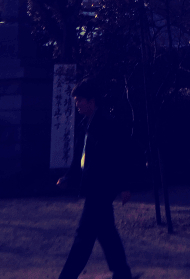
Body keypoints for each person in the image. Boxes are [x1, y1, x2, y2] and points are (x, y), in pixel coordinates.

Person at [57, 78, 134, 279]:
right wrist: (68, 177)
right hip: (95, 186)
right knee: (107, 234)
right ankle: (123, 274)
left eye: (80, 100)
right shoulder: (87, 124)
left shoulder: (107, 125)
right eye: (76, 101)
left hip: (101, 187)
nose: (77, 104)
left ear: (92, 101)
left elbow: (121, 156)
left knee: (83, 237)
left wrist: (125, 185)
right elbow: (81, 157)